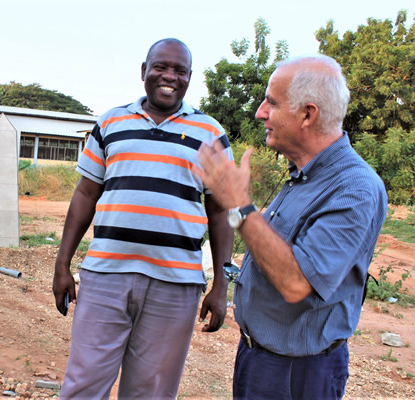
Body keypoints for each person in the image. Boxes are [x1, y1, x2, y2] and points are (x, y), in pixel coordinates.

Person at [195, 55, 388, 399]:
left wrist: (239, 204)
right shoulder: (305, 174)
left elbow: (296, 283)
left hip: (298, 375)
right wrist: (238, 210)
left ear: (307, 114)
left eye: (271, 102)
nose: (260, 112)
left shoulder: (354, 189)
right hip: (261, 359)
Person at [52, 38, 234, 399]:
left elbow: (220, 210)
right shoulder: (111, 123)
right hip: (106, 276)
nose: (169, 76)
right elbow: (86, 194)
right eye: (161, 67)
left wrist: (221, 285)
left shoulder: (210, 134)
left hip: (175, 283)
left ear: (189, 78)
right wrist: (62, 264)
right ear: (143, 72)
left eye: (179, 71)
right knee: (82, 385)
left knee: (151, 391)